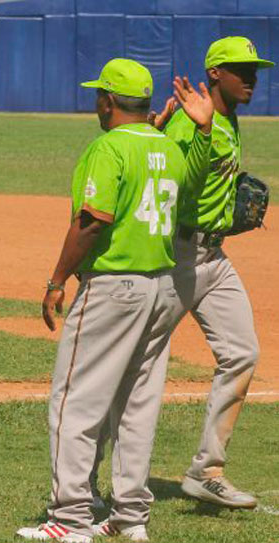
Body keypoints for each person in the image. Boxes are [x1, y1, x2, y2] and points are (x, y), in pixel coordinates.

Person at [15, 59, 213, 542]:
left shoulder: (107, 147)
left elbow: (92, 221)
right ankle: (130, 517)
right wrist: (201, 132)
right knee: (136, 406)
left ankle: (70, 518)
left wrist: (56, 279)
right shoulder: (165, 146)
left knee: (74, 404)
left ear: (107, 100)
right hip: (161, 288)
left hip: (112, 288)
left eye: (98, 95)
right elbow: (189, 187)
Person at [90, 36, 274, 511]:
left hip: (214, 258)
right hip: (176, 257)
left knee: (241, 353)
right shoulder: (185, 122)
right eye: (241, 70)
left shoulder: (227, 119)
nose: (251, 78)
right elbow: (162, 180)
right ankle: (84, 477)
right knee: (130, 364)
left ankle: (206, 471)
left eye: (254, 70)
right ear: (215, 73)